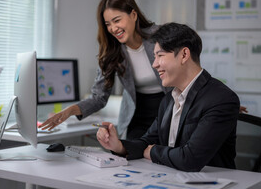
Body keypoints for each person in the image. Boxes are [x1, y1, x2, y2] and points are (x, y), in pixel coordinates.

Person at [96, 22, 240, 172]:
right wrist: (117, 145)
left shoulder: (220, 99)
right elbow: (147, 141)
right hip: (173, 179)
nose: (154, 64)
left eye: (160, 56)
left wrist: (152, 152)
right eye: (154, 57)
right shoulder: (169, 99)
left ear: (184, 55)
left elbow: (190, 159)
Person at [39, 0, 169, 139]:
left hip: (168, 108)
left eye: (117, 20)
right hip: (137, 113)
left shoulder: (160, 36)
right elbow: (98, 97)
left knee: (164, 157)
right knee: (133, 156)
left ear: (133, 15)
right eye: (108, 24)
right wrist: (69, 111)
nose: (113, 28)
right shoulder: (112, 51)